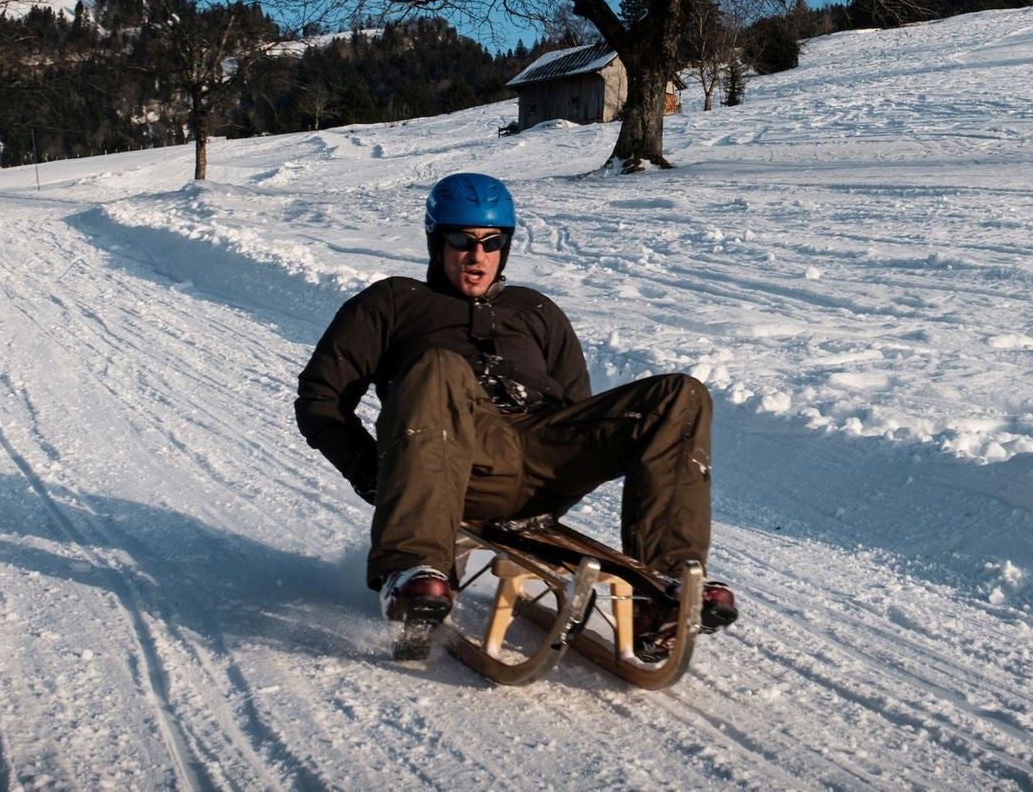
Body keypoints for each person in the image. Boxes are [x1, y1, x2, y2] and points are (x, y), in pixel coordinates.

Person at [295, 171, 737, 659]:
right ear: (435, 241)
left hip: (544, 458)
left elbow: (578, 409)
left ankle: (665, 587)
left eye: (491, 242)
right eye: (461, 241)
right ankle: (412, 569)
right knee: (439, 367)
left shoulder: (536, 309)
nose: (476, 256)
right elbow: (320, 398)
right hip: (457, 464)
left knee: (680, 395)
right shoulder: (393, 302)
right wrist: (376, 474)